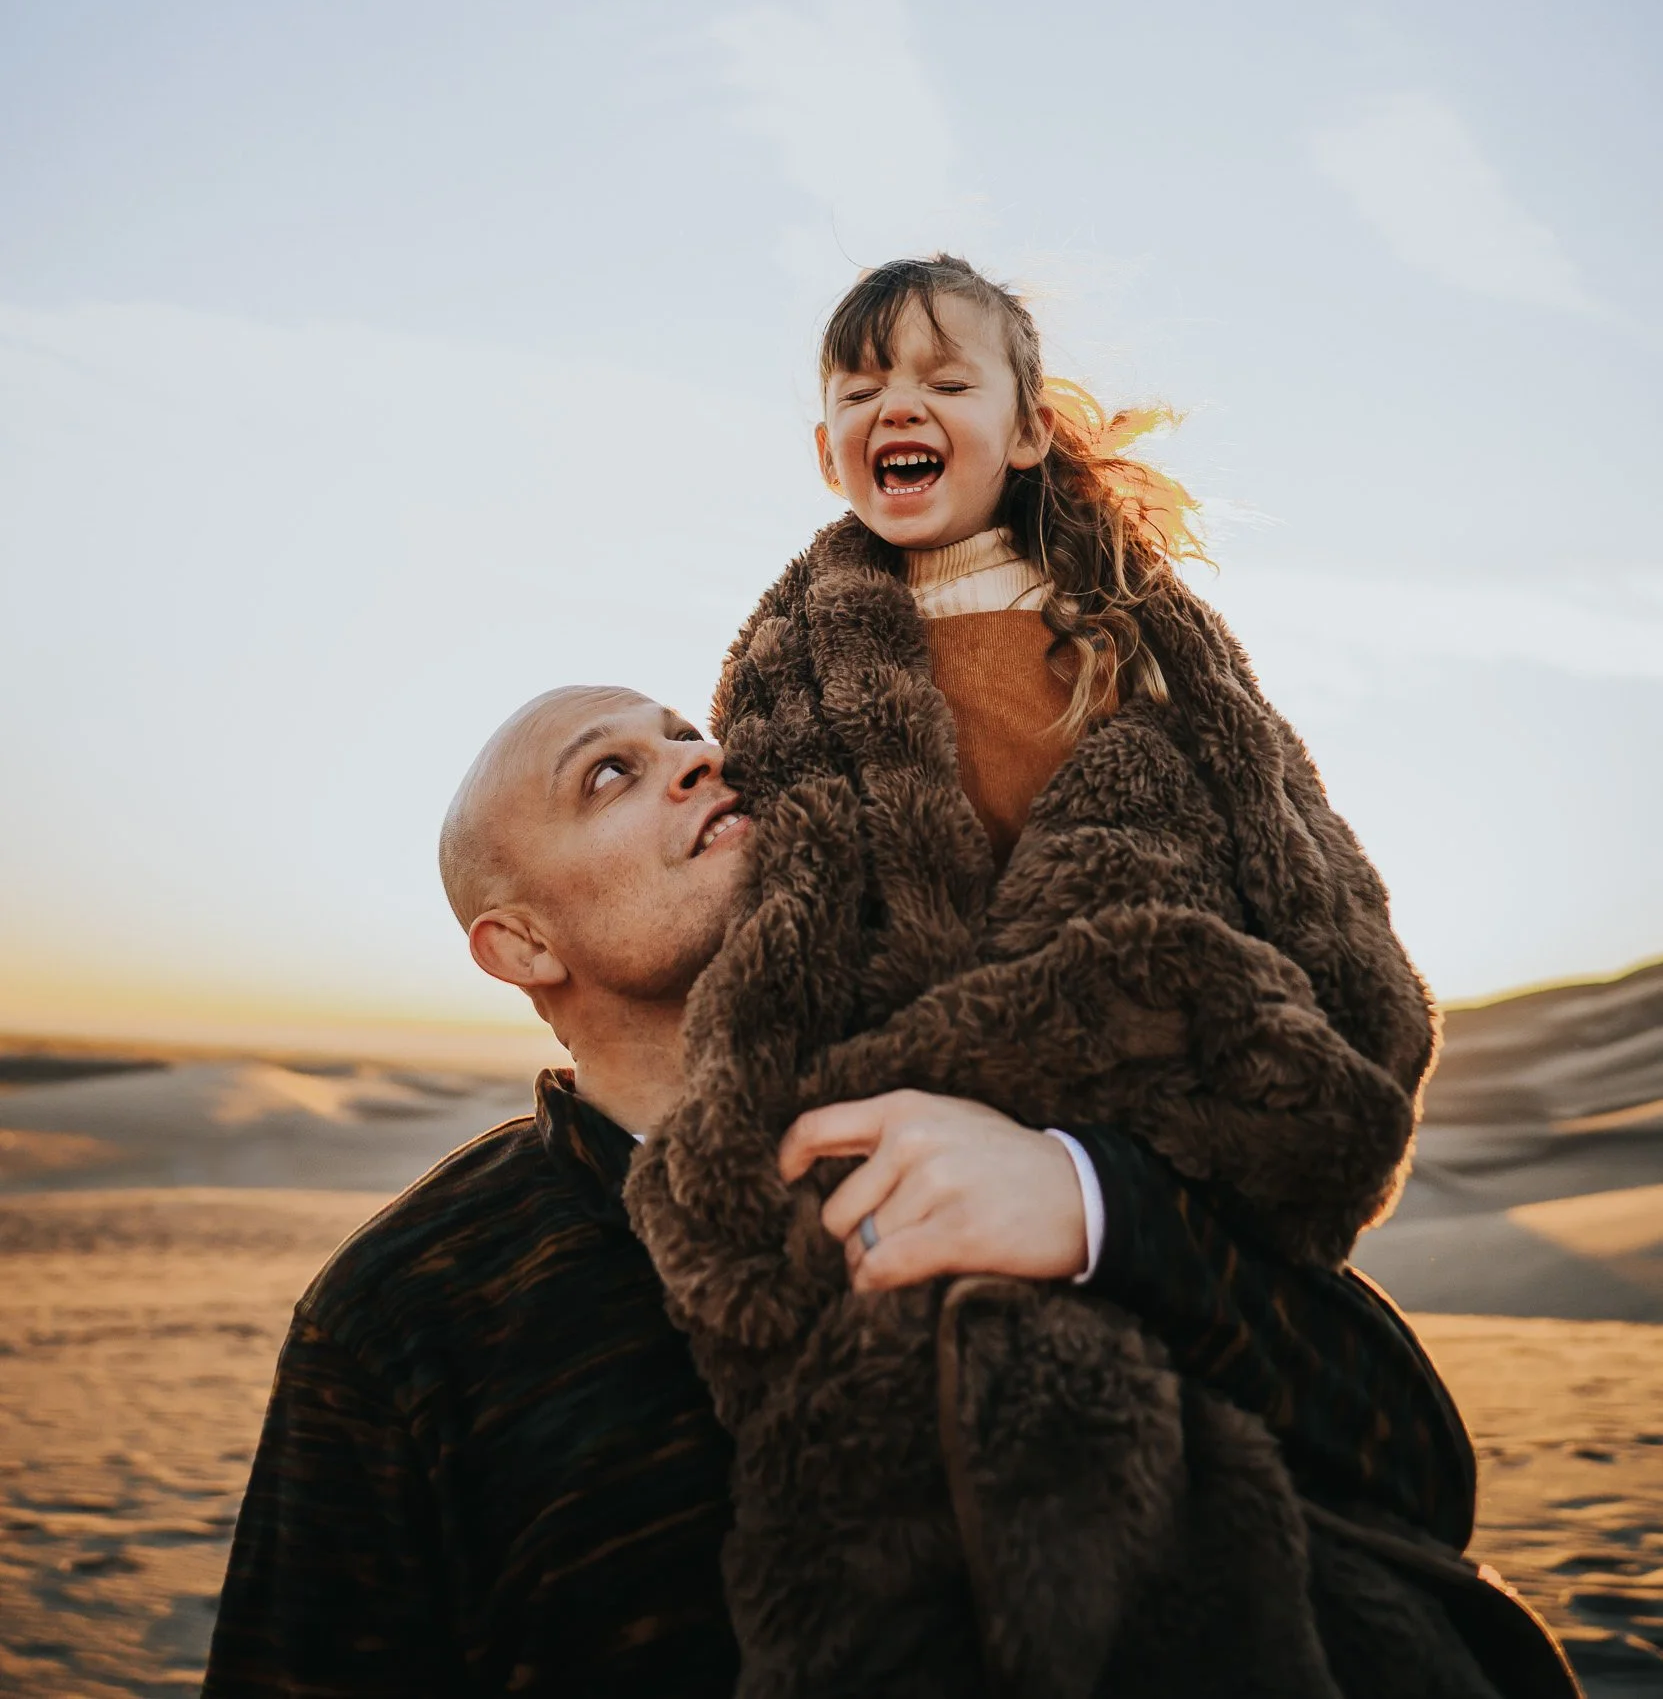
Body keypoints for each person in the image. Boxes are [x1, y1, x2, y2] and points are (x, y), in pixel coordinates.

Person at [627, 256, 1578, 1696]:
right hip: (898, 1164)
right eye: (859, 386)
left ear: (1020, 432)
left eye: (946, 382)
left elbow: (1291, 865)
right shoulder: (784, 669)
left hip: (1131, 1118)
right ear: (825, 447)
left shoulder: (1139, 638)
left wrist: (1144, 1136)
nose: (901, 405)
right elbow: (795, 919)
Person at [201, 686, 1543, 1699]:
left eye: (685, 735)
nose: (697, 760)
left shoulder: (1007, 1119)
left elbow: (1411, 1469)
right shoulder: (407, 1314)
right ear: (522, 945)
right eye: (611, 774)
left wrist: (1099, 1214)